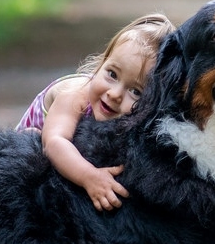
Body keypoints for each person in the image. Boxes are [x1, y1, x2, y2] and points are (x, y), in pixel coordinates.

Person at [17, 13, 174, 211]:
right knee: (33, 141)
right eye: (112, 74)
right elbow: (55, 142)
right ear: (102, 62)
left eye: (135, 91)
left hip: (71, 147)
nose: (115, 94)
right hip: (42, 145)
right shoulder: (75, 95)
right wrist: (89, 177)